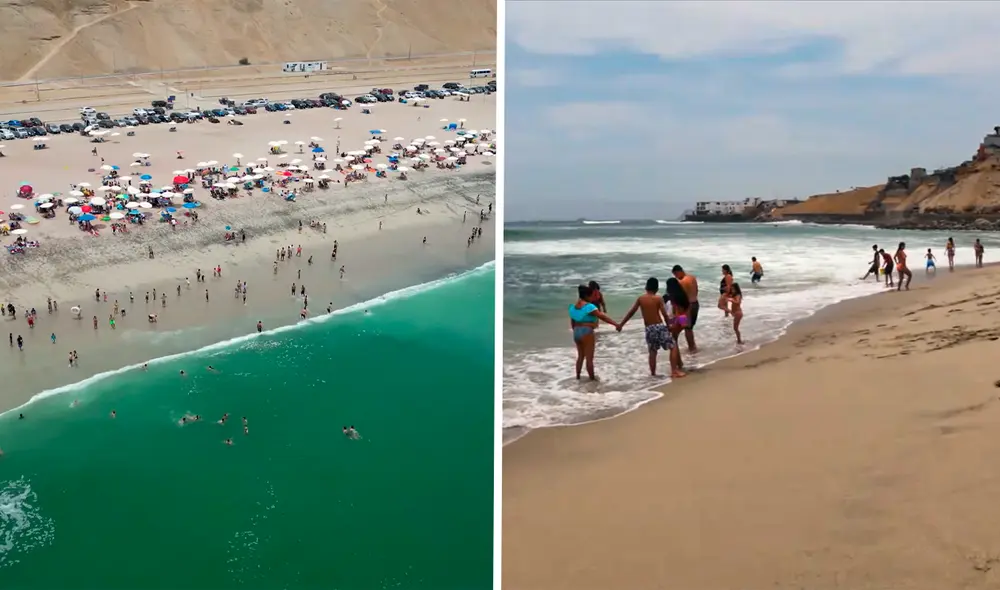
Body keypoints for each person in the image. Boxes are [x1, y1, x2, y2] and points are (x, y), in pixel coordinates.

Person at [618, 277, 684, 378]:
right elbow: (664, 314)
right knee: (673, 346)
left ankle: (653, 374)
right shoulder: (658, 298)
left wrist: (621, 324)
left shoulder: (641, 299)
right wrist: (668, 326)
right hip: (659, 326)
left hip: (649, 328)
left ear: (646, 287)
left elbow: (631, 312)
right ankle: (674, 371)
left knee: (652, 351)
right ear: (656, 288)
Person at [568, 284, 619, 380]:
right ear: (587, 296)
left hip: (576, 332)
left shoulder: (573, 307)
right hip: (586, 331)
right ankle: (592, 379)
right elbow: (602, 316)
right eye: (591, 296)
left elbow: (572, 322)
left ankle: (578, 377)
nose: (593, 298)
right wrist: (616, 324)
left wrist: (576, 330)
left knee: (580, 357)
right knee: (589, 359)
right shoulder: (589, 306)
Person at [670, 265, 699, 352]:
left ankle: (691, 348)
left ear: (678, 272)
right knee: (689, 328)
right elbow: (697, 290)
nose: (676, 277)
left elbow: (681, 297)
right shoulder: (692, 278)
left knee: (686, 328)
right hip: (695, 304)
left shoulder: (682, 282)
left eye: (675, 275)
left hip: (687, 308)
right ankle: (693, 346)